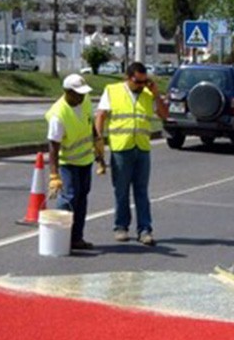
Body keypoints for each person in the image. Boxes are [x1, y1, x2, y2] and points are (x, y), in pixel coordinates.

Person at [95, 61, 168, 246]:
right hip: (121, 148)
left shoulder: (147, 94)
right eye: (138, 81)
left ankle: (145, 230)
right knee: (121, 191)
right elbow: (101, 115)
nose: (141, 85)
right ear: (128, 78)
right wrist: (99, 141)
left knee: (141, 191)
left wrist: (156, 94)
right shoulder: (112, 90)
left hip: (142, 149)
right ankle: (121, 227)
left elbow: (164, 115)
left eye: (145, 81)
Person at [45, 73, 104, 251]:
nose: (82, 96)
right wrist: (54, 175)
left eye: (83, 93)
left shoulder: (84, 101)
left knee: (82, 198)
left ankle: (76, 238)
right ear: (67, 92)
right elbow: (53, 147)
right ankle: (61, 239)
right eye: (78, 93)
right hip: (68, 163)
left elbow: (90, 123)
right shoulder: (58, 114)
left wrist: (98, 147)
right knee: (69, 199)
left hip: (85, 160)